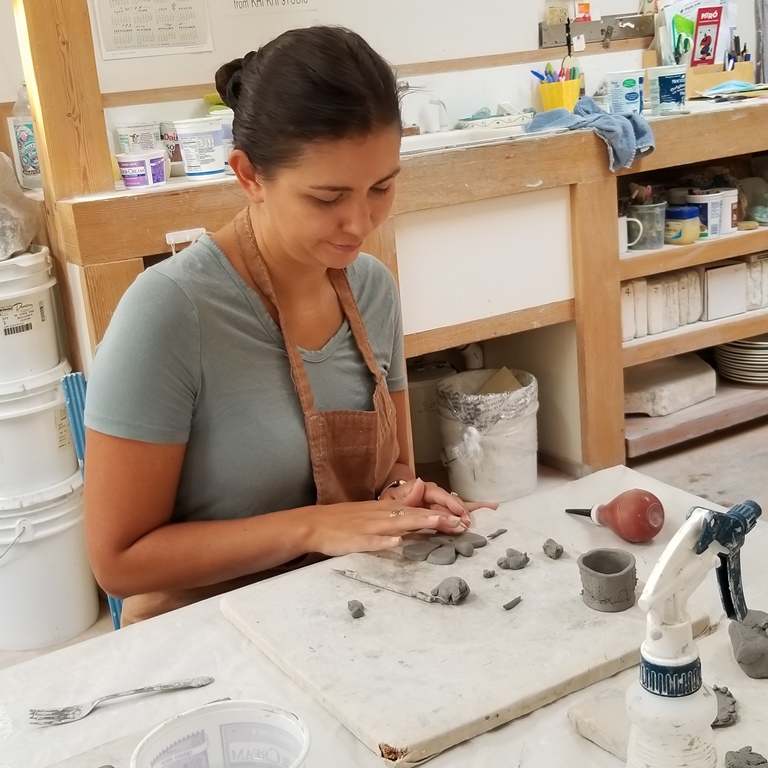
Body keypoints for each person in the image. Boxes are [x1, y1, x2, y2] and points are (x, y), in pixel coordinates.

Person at [84, 26, 496, 625]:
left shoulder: (373, 288)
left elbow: (395, 472)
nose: (359, 222)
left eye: (381, 187)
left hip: (348, 603)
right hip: (206, 626)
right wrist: (311, 527)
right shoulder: (170, 312)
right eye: (328, 197)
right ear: (249, 175)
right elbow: (119, 563)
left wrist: (401, 501)